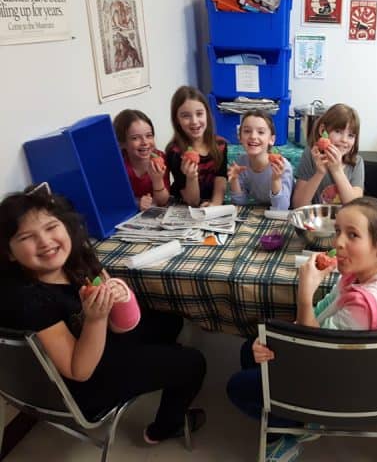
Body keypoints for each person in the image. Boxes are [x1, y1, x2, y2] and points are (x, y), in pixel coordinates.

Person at [0, 183, 207, 444]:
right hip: (83, 386)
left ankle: (161, 366)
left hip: (100, 343)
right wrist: (96, 319)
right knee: (193, 363)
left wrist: (118, 296)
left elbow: (121, 323)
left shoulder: (78, 260)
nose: (45, 242)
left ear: (65, 226)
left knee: (170, 322)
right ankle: (163, 428)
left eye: (51, 227)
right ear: (9, 252)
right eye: (26, 237)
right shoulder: (27, 299)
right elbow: (80, 371)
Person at [227, 197, 377, 461]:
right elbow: (326, 312)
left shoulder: (364, 306)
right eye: (338, 231)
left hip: (342, 392)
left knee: (236, 386)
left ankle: (296, 429)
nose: (338, 242)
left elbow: (312, 351)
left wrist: (305, 294)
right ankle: (298, 417)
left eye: (353, 235)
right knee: (249, 350)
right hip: (372, 378)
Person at [165, 86, 228, 207]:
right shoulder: (175, 153)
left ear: (207, 115)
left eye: (199, 114)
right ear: (177, 120)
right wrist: (191, 177)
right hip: (185, 205)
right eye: (185, 116)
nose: (194, 121)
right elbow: (192, 201)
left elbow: (221, 179)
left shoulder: (221, 145)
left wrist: (215, 204)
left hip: (214, 202)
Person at [292, 103, 364, 207]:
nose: (344, 140)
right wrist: (320, 173)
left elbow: (355, 207)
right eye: (338, 131)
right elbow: (298, 205)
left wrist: (337, 170)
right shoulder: (311, 155)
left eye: (350, 135)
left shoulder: (357, 162)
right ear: (322, 131)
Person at [228, 109, 293, 210]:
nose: (253, 136)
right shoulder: (241, 163)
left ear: (271, 139)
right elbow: (240, 204)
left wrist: (276, 179)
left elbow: (281, 208)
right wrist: (234, 180)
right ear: (239, 137)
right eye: (247, 131)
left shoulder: (282, 166)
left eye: (261, 132)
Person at [113, 109, 170, 211]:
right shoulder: (119, 166)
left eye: (149, 136)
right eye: (135, 138)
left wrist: (157, 180)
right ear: (122, 143)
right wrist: (137, 203)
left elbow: (162, 201)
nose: (144, 142)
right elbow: (115, 200)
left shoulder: (160, 159)